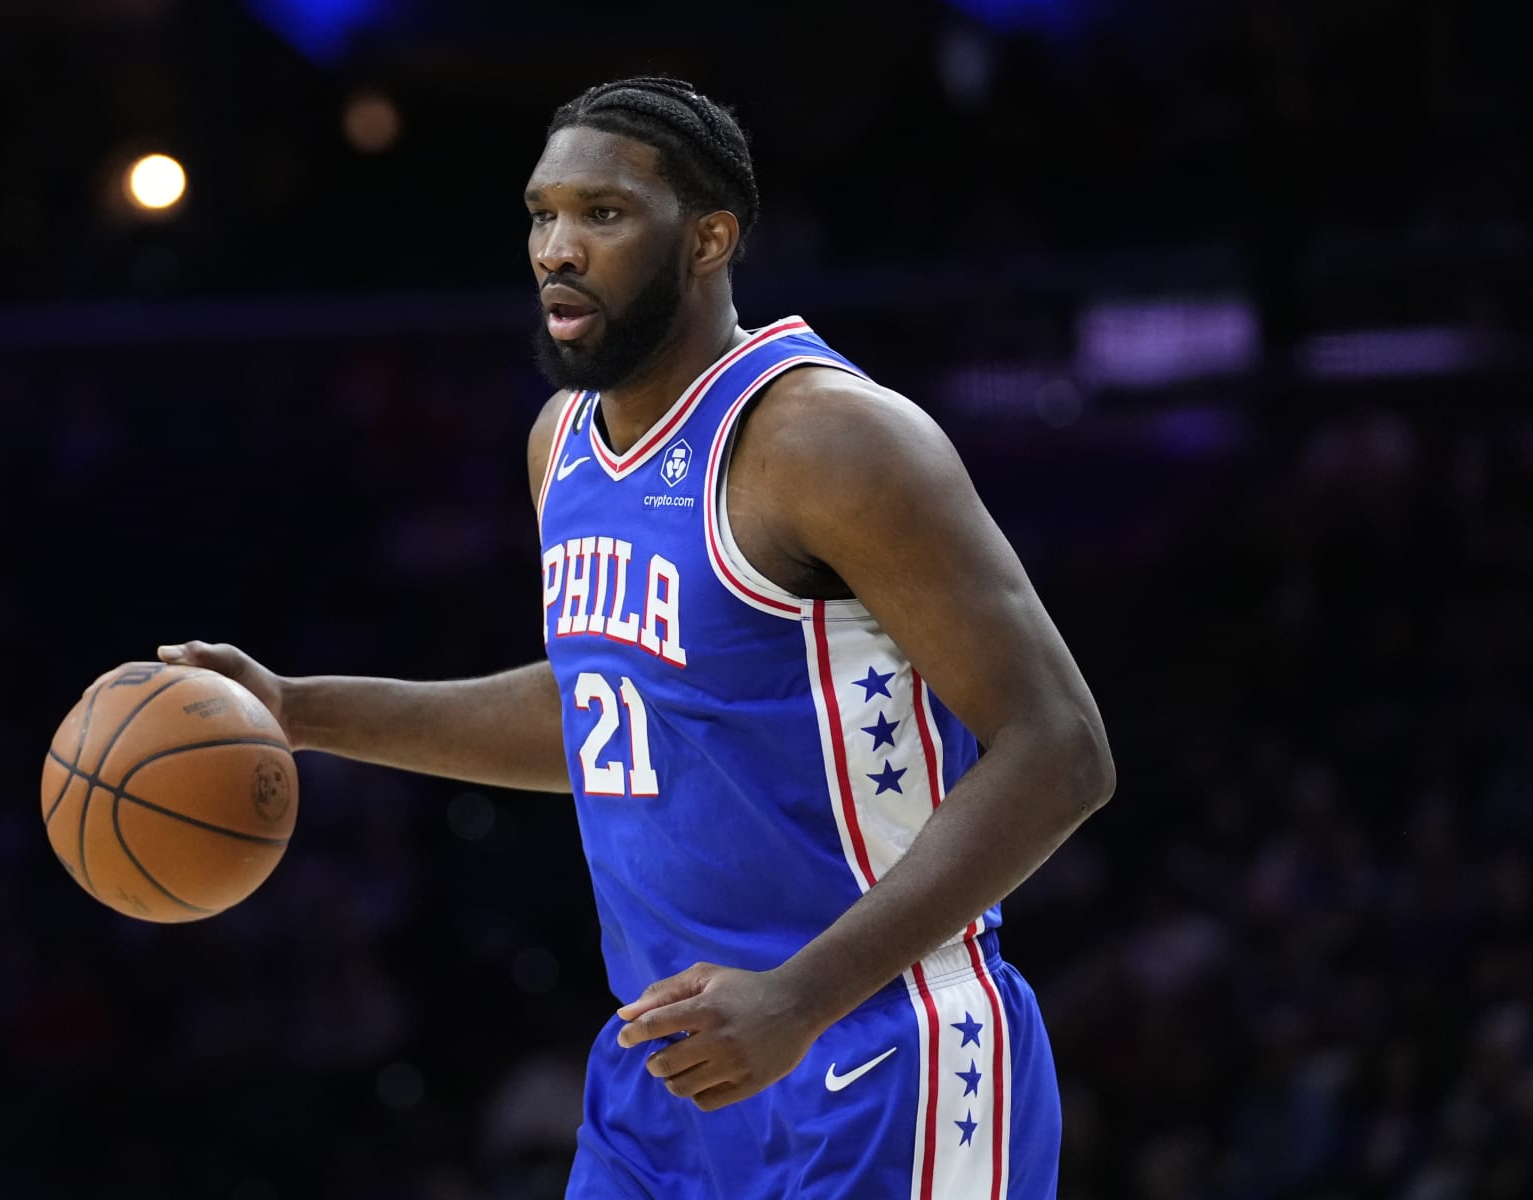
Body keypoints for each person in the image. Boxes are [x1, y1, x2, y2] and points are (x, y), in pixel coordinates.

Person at [159, 75, 1114, 1200]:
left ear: (709, 237)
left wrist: (803, 997)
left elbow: (1062, 750)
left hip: (877, 1051)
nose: (558, 247)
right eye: (541, 214)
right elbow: (602, 708)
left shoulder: (826, 438)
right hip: (667, 1081)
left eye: (603, 214)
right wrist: (298, 709)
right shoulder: (558, 443)